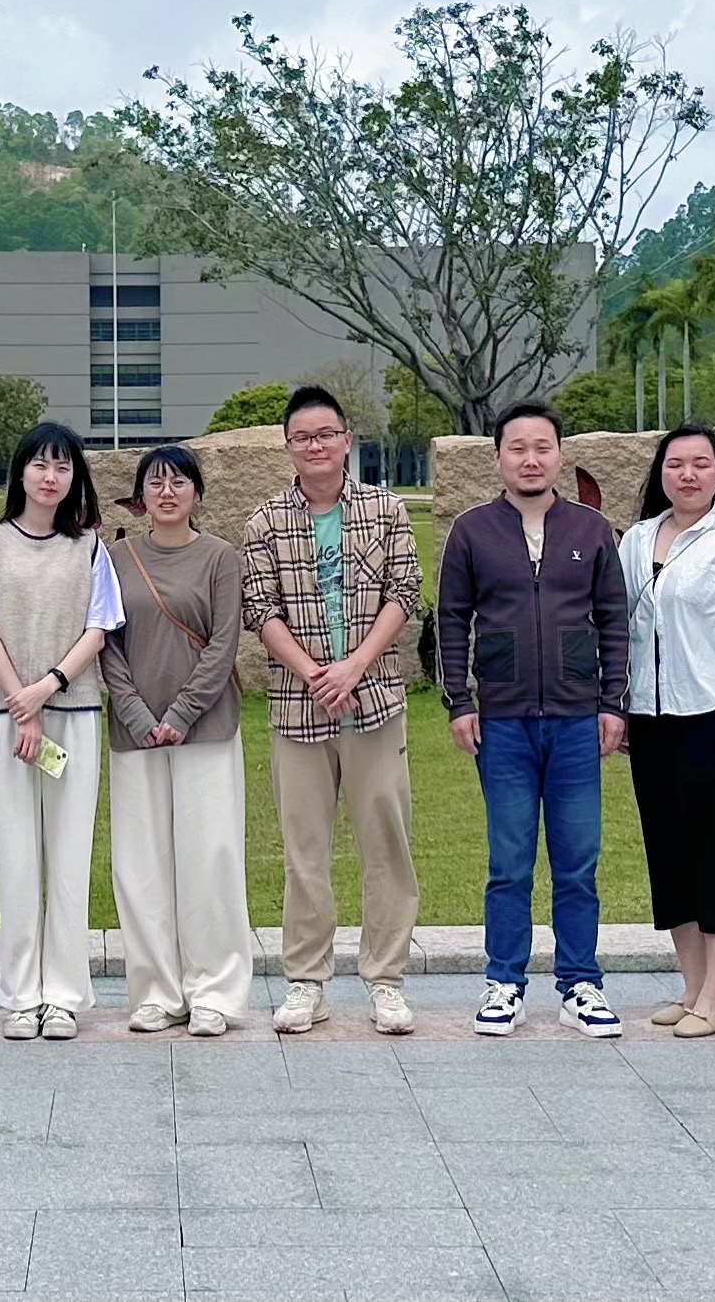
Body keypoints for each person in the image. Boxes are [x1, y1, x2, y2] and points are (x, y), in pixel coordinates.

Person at [438, 399, 630, 1040]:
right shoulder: (471, 531)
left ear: (559, 454)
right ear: (498, 457)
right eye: (517, 447)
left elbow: (613, 621)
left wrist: (611, 703)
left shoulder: (591, 530)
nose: (530, 458)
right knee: (510, 860)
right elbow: (451, 622)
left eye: (542, 447)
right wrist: (461, 702)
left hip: (577, 720)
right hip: (504, 721)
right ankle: (504, 982)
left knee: (578, 860)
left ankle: (580, 982)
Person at [242, 384, 424, 1036]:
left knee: (386, 844)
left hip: (374, 701)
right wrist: (316, 673)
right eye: (302, 437)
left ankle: (386, 981)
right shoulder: (265, 521)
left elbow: (405, 591)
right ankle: (306, 982)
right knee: (305, 851)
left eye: (326, 434)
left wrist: (354, 666)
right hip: (298, 707)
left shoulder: (386, 510)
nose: (315, 445)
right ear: (287, 447)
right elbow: (259, 610)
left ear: (347, 439)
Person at [616, 424, 715, 1039]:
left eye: (701, 464)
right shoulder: (634, 541)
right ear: (660, 472)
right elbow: (621, 628)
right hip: (650, 718)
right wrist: (623, 703)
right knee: (670, 853)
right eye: (676, 464)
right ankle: (689, 989)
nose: (687, 475)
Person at [0, 421, 123, 1041]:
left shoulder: (89, 547)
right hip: (7, 716)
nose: (50, 477)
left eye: (62, 467)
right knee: (17, 854)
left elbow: (99, 627)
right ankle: (21, 995)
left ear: (74, 478)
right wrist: (21, 706)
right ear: (21, 473)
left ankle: (62, 994)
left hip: (72, 712)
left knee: (68, 855)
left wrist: (47, 688)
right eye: (40, 465)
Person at [101, 445, 254, 1038]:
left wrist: (183, 713)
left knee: (209, 859)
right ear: (140, 496)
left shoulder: (220, 558)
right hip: (134, 733)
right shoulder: (116, 557)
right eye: (155, 483)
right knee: (141, 864)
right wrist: (139, 715)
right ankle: (156, 991)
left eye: (178, 482)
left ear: (197, 492)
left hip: (206, 730)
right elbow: (105, 641)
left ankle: (214, 990)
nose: (167, 492)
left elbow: (223, 644)